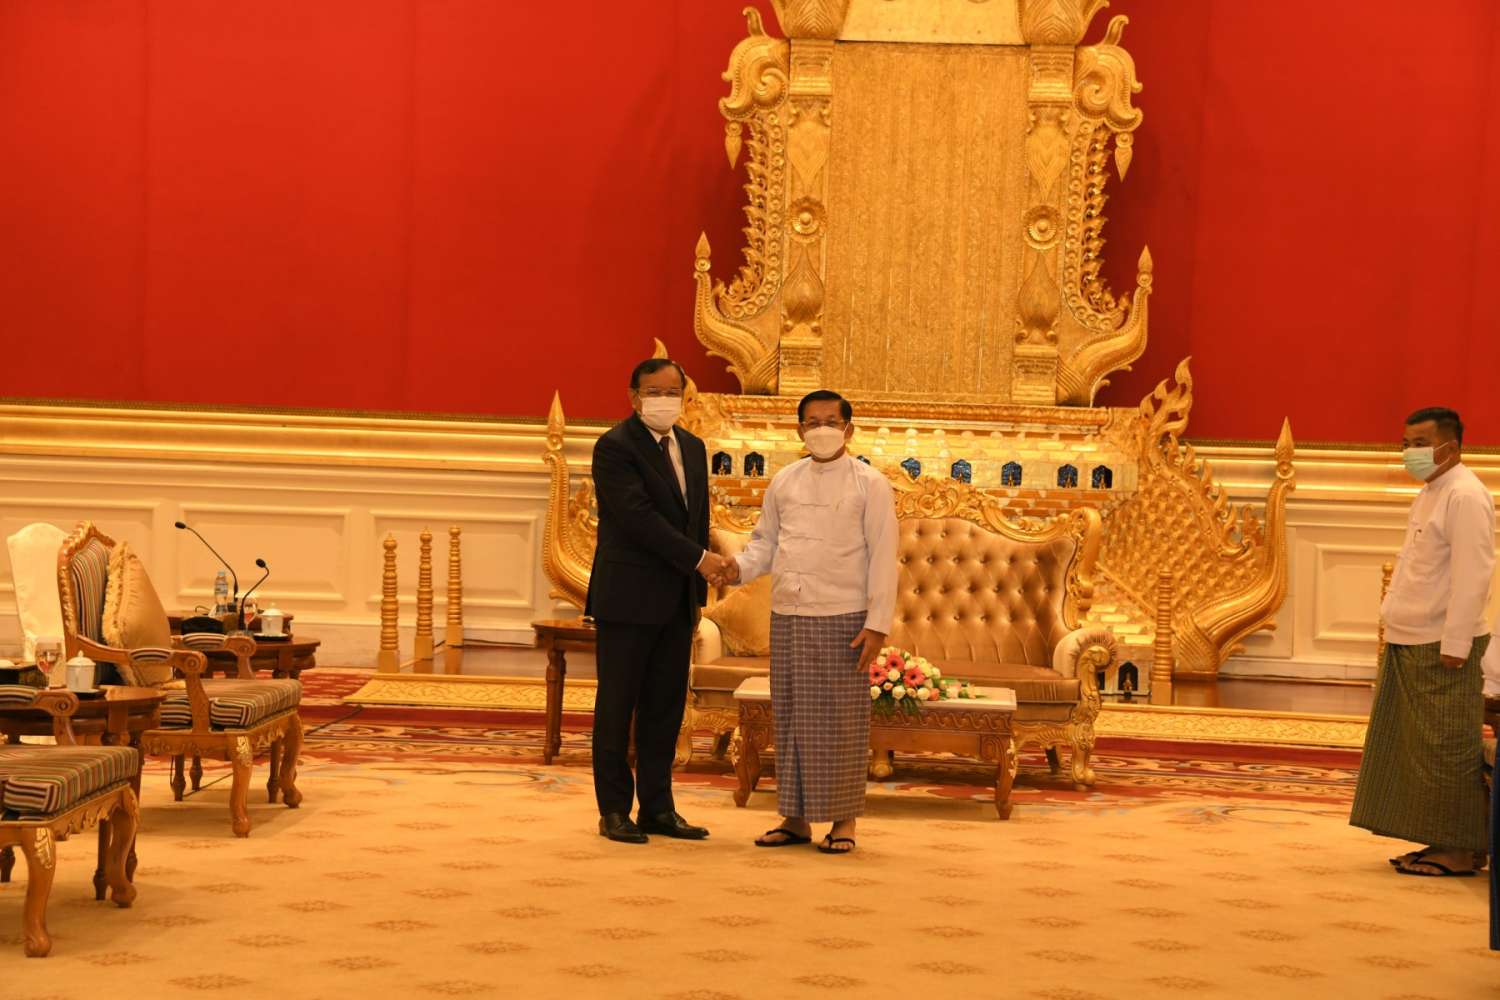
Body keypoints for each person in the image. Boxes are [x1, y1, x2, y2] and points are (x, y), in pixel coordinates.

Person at [718, 390, 898, 854]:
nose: (822, 430)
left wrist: (877, 624)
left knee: (841, 723)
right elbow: (766, 544)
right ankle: (794, 819)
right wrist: (737, 568)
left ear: (849, 429)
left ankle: (844, 821)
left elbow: (883, 556)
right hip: (790, 614)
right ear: (799, 430)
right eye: (813, 422)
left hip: (845, 616)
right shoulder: (784, 481)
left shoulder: (870, 484)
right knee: (792, 718)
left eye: (831, 422)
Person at [586, 358, 731, 845]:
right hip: (628, 597)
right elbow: (638, 519)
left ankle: (658, 808)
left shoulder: (692, 446)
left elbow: (694, 519)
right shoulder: (614, 447)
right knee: (617, 706)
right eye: (653, 392)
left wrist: (703, 574)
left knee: (665, 709)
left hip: (677, 599)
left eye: (672, 391)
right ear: (633, 397)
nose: (664, 400)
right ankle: (613, 811)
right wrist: (701, 560)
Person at [1350, 407, 1495, 877]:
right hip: (1413, 638)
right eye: (1406, 443)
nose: (1409, 453)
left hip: (1443, 646)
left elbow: (1474, 575)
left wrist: (1456, 642)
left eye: (1419, 444)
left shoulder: (1465, 495)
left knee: (1445, 746)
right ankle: (1447, 841)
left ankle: (1457, 849)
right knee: (1417, 748)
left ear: (1450, 446)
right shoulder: (1433, 491)